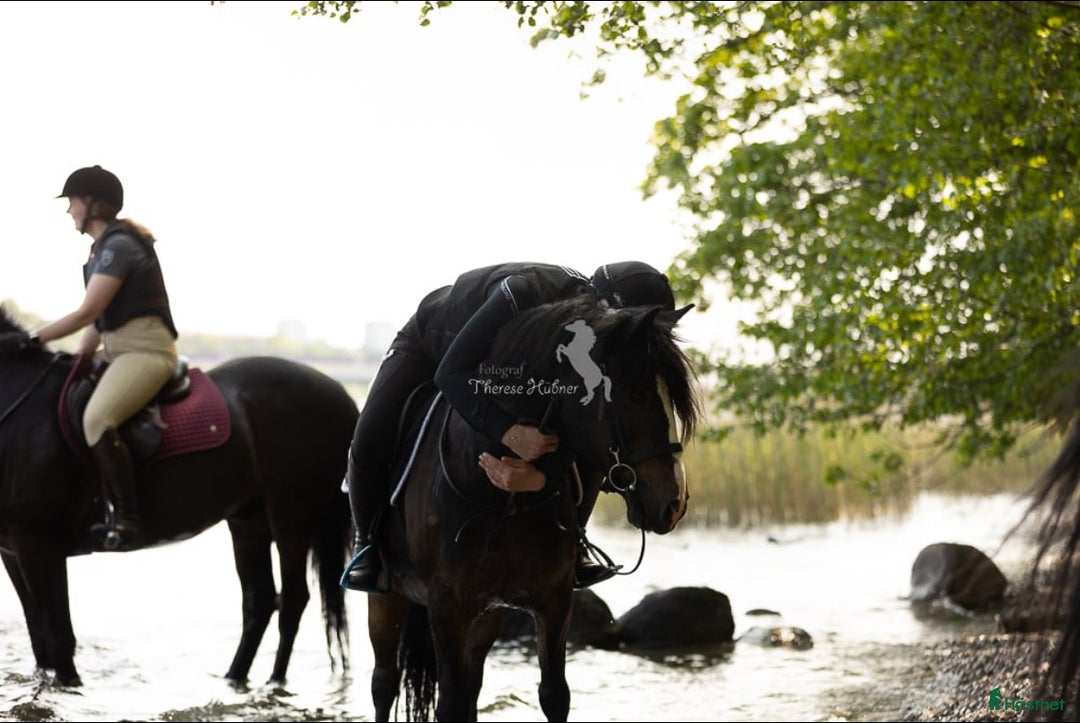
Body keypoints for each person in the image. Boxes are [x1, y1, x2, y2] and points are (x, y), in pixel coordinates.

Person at [342, 260, 678, 593]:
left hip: (499, 369)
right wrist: (510, 433)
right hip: (429, 344)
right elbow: (451, 373)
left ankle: (576, 544)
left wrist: (546, 476)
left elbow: (572, 423)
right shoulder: (521, 292)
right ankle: (367, 543)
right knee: (369, 434)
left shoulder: (589, 337)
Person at [0, 165, 179, 549]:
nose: (69, 211)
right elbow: (99, 321)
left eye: (73, 202)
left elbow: (85, 311)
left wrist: (29, 341)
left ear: (93, 204)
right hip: (116, 350)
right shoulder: (101, 250)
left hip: (145, 352)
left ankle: (127, 517)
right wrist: (72, 357)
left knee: (97, 419)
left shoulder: (120, 246)